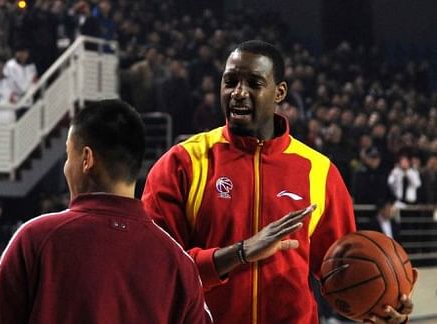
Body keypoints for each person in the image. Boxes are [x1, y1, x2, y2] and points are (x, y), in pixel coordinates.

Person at [142, 40, 415, 324]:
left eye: (254, 83)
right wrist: (241, 252)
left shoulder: (319, 171)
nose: (238, 93)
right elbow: (158, 270)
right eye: (230, 81)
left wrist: (381, 309)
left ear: (279, 92)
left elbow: (343, 275)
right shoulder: (182, 163)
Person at [0, 99, 212, 323]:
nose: (67, 168)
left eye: (68, 156)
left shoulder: (36, 239)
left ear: (86, 158)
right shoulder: (178, 263)